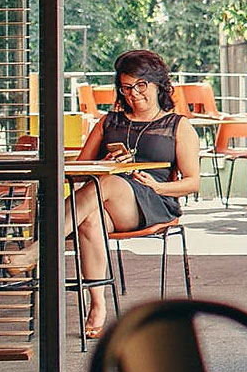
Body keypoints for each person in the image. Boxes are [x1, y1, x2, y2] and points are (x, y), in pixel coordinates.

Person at [73, 50, 201, 338]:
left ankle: (42, 246)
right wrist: (103, 164)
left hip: (154, 201)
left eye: (141, 85)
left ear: (158, 85)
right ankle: (97, 304)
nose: (133, 94)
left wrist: (158, 186)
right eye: (126, 87)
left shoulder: (178, 125)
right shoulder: (108, 123)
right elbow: (80, 171)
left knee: (108, 183)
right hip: (107, 203)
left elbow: (193, 183)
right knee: (90, 220)